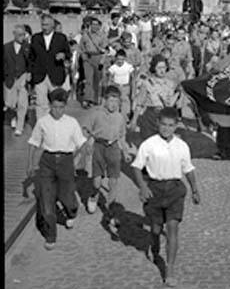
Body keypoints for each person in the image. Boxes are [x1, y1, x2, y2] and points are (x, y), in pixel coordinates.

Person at [132, 107, 200, 287]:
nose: (166, 128)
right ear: (157, 123)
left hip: (175, 190)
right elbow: (137, 167)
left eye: (171, 125)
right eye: (163, 124)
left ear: (176, 126)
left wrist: (194, 189)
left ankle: (169, 269)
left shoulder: (182, 146)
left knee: (172, 228)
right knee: (155, 228)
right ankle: (154, 247)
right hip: (154, 189)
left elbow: (188, 169)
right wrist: (143, 186)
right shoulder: (149, 144)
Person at [26, 88, 87, 250]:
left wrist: (81, 159)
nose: (57, 111)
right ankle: (51, 234)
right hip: (47, 162)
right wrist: (31, 165)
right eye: (54, 107)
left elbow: (82, 144)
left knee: (66, 196)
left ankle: (71, 211)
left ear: (65, 106)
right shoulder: (43, 122)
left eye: (60, 107)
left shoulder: (71, 123)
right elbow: (33, 143)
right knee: (47, 200)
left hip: (66, 162)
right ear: (49, 106)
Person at [82, 85, 136, 214]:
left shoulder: (120, 118)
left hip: (113, 148)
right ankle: (94, 195)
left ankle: (111, 206)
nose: (113, 104)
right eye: (111, 100)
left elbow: (122, 136)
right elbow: (86, 129)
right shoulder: (96, 114)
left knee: (113, 180)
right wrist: (88, 141)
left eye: (116, 101)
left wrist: (125, 152)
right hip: (99, 147)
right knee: (97, 181)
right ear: (104, 100)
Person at [28, 13, 71, 120]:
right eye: (42, 25)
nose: (44, 27)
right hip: (39, 75)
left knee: (56, 102)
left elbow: (68, 54)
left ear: (52, 25)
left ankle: (56, 124)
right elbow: (31, 57)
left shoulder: (61, 38)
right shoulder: (35, 38)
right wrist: (29, 72)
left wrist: (63, 55)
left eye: (47, 25)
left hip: (55, 74)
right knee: (40, 103)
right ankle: (41, 126)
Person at [130, 55, 180, 141]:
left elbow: (170, 104)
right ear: (154, 68)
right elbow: (139, 103)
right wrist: (134, 120)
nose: (162, 70)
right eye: (159, 67)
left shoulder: (170, 84)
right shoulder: (147, 83)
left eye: (164, 67)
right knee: (149, 144)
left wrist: (178, 93)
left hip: (164, 117)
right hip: (150, 117)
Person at [3, 25, 31, 136]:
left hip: (22, 76)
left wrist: (29, 73)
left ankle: (19, 127)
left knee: (22, 103)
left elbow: (31, 62)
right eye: (19, 34)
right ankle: (13, 115)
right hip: (9, 77)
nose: (22, 37)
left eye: (23, 34)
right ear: (14, 34)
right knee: (10, 103)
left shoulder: (27, 47)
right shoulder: (6, 47)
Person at [79, 17, 108, 108]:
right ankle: (87, 99)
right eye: (93, 24)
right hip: (88, 58)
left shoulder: (102, 36)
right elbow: (81, 47)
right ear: (90, 25)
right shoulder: (85, 35)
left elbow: (105, 50)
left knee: (96, 80)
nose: (95, 26)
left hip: (98, 58)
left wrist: (102, 61)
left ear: (100, 26)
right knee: (88, 80)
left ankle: (94, 99)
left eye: (97, 25)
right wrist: (83, 55)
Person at [107, 49, 134, 122]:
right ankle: (115, 117)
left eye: (122, 59)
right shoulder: (113, 67)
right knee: (116, 101)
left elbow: (133, 77)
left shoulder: (128, 66)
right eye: (118, 59)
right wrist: (109, 87)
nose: (120, 61)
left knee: (125, 102)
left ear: (124, 58)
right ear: (116, 58)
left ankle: (124, 118)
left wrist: (132, 88)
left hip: (125, 87)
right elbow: (110, 78)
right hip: (116, 86)